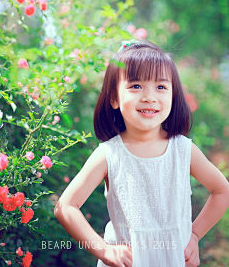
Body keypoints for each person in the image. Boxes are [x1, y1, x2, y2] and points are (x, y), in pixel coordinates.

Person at [54, 39, 229, 267]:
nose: (149, 96)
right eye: (136, 86)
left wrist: (194, 235)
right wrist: (104, 250)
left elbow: (221, 190)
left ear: (173, 96)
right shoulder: (109, 154)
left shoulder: (182, 149)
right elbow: (65, 206)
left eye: (161, 87)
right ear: (114, 98)